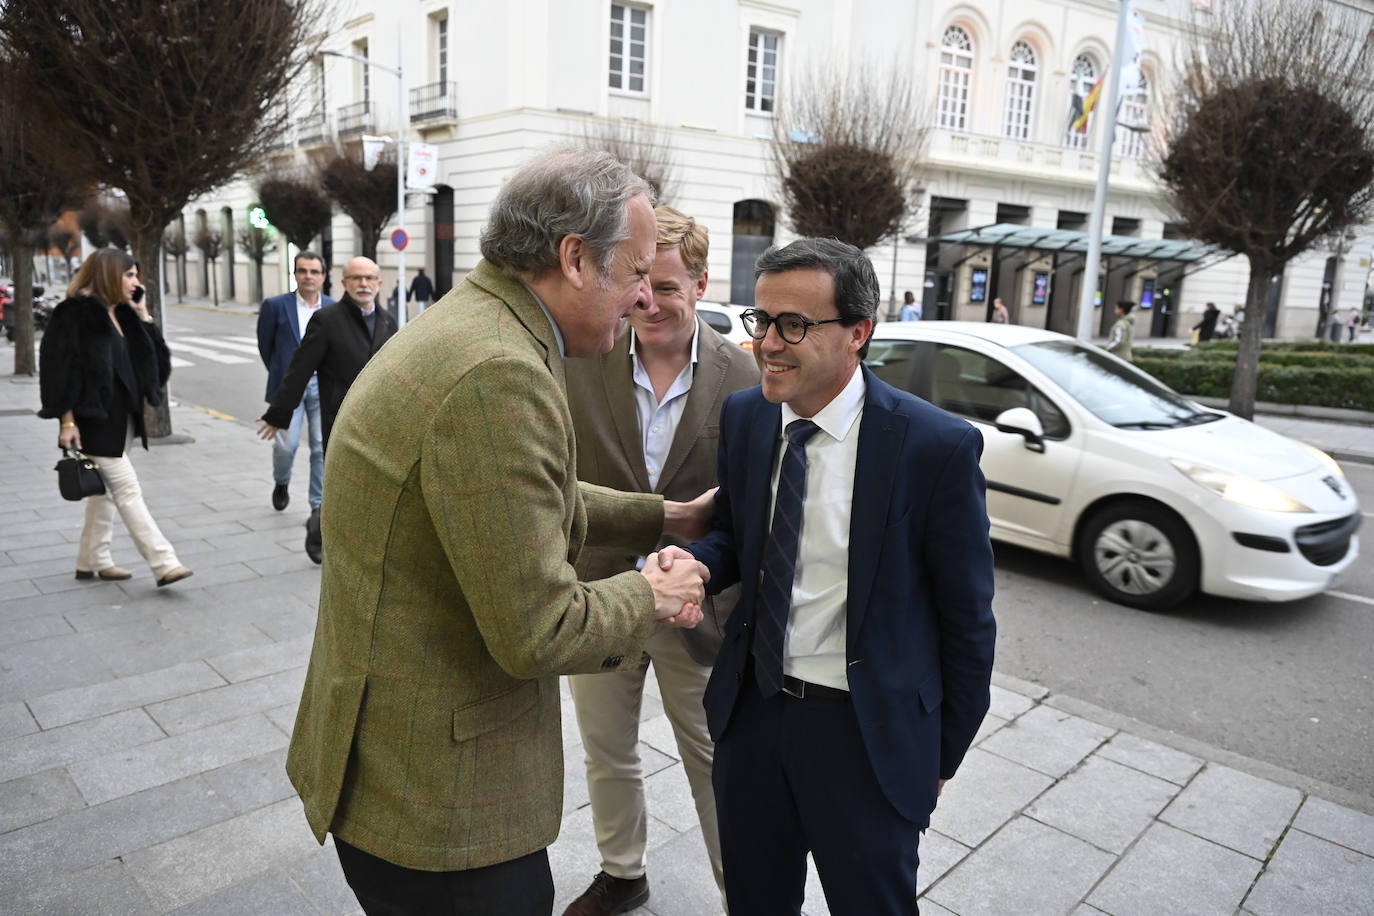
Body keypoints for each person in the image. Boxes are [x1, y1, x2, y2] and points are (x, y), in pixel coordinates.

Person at [284, 148, 715, 916]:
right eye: (636, 272)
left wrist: (666, 515)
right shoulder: (497, 372)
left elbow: (518, 499)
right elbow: (540, 630)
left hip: (401, 772)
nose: (645, 297)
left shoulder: (477, 325)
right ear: (574, 259)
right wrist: (654, 592)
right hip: (444, 812)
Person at [667, 238, 996, 914]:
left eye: (794, 324)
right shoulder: (747, 416)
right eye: (762, 320)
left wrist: (938, 757)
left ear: (858, 333)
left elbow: (968, 622)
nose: (767, 344)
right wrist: (698, 563)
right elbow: (738, 534)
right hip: (752, 716)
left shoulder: (934, 448)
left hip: (865, 737)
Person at [561, 206, 758, 915]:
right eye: (640, 284)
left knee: (713, 763)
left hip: (696, 610)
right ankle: (622, 873)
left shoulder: (744, 375)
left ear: (702, 285)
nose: (648, 302)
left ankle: (744, 897)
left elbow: (752, 502)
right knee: (606, 749)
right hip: (601, 594)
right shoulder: (586, 355)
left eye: (668, 288)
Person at [38, 249, 193, 588]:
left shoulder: (124, 314)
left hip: (123, 418)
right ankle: (164, 562)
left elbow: (157, 367)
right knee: (127, 488)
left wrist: (144, 315)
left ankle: (91, 560)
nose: (137, 283)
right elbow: (57, 371)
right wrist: (67, 421)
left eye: (136, 276)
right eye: (129, 276)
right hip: (92, 419)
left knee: (105, 494)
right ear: (109, 275)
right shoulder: (74, 314)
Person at [257, 256, 397, 563]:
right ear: (344, 282)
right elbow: (299, 368)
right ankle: (317, 530)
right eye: (356, 278)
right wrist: (279, 412)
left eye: (369, 278)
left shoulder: (388, 321)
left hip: (376, 421)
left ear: (379, 283)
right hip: (339, 417)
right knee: (336, 478)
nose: (363, 284)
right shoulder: (327, 320)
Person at [256, 251, 333, 515]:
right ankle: (281, 481)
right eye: (303, 271)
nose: (308, 276)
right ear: (295, 274)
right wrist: (284, 376)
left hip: (322, 387)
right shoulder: (275, 306)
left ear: (323, 276)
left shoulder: (333, 307)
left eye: (314, 271)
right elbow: (265, 346)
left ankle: (317, 505)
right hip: (289, 387)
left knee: (320, 447)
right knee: (286, 445)